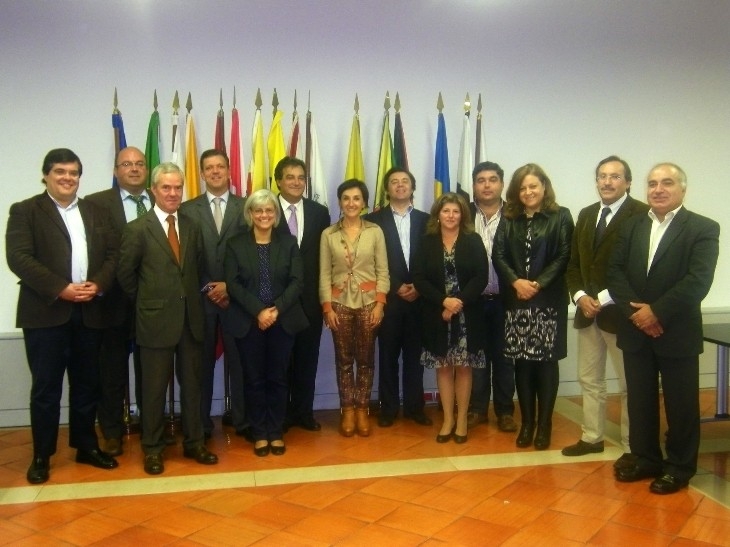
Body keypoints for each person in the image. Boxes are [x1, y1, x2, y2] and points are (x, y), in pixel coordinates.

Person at [6, 148, 119, 484]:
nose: (67, 178)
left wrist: (98, 283)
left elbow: (114, 255)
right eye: (60, 172)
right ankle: (42, 455)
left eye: (73, 173)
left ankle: (86, 446)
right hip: (46, 314)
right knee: (46, 389)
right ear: (46, 175)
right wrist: (61, 288)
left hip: (90, 312)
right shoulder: (25, 211)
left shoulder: (96, 212)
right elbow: (19, 258)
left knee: (87, 385)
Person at [608, 163, 719, 495]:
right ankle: (646, 459)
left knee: (681, 406)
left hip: (677, 331)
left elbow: (698, 281)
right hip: (635, 330)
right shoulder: (631, 226)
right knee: (640, 402)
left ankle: (679, 467)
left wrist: (655, 312)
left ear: (683, 188)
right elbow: (614, 272)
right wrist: (639, 315)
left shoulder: (702, 228)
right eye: (652, 183)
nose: (658, 189)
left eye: (667, 183)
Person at [117, 162, 218, 475]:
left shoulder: (192, 225)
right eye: (166, 187)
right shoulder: (137, 229)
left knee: (193, 386)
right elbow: (126, 276)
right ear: (153, 190)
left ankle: (194, 442)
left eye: (177, 187)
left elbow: (198, 269)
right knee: (153, 390)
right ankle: (153, 448)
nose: (173, 193)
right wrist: (149, 303)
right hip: (155, 323)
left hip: (190, 321)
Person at [561, 156, 648, 468]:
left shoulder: (642, 214)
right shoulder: (587, 214)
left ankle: (632, 445)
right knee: (589, 379)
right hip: (587, 312)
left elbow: (638, 267)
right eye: (602, 176)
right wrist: (580, 296)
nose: (607, 182)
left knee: (629, 384)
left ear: (628, 182)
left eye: (615, 176)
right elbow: (573, 264)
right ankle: (591, 437)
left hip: (621, 315)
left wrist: (603, 297)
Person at [492, 163, 573, 450]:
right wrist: (516, 282)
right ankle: (527, 423)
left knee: (546, 364)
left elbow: (564, 255)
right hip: (517, 302)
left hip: (548, 302)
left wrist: (537, 284)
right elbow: (498, 254)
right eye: (522, 188)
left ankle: (544, 425)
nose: (528, 192)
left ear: (544, 187)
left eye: (533, 186)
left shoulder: (561, 216)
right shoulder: (509, 218)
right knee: (523, 364)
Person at [224, 189, 308, 457]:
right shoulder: (235, 244)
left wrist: (274, 310)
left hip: (282, 322)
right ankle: (260, 432)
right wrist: (259, 311)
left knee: (278, 378)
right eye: (258, 210)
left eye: (269, 210)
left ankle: (276, 430)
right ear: (250, 214)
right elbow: (233, 284)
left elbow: (297, 282)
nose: (264, 215)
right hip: (248, 322)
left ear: (276, 214)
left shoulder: (289, 242)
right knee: (254, 379)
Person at [85, 146, 152, 456]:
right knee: (111, 370)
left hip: (152, 301)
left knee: (151, 369)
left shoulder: (162, 199)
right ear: (116, 171)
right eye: (126, 164)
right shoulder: (95, 204)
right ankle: (111, 431)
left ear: (147, 169)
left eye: (139, 164)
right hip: (110, 301)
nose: (134, 169)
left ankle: (152, 426)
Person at [179, 149, 250, 442]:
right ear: (202, 173)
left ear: (229, 170)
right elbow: (185, 258)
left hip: (237, 301)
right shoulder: (186, 210)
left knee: (241, 363)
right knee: (200, 366)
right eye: (209, 168)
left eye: (220, 166)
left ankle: (245, 421)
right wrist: (209, 286)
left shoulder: (246, 207)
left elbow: (253, 253)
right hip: (202, 301)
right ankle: (200, 424)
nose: (215, 172)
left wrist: (229, 286)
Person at [412, 192, 489, 444]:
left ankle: (462, 419)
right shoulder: (427, 242)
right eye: (446, 211)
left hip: (467, 315)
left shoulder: (473, 240)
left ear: (462, 215)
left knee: (464, 368)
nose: (451, 215)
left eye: (456, 211)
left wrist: (457, 303)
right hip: (436, 314)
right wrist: (444, 301)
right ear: (438, 214)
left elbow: (481, 277)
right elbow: (419, 278)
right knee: (444, 367)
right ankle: (447, 419)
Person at [320, 179, 389, 437]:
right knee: (344, 360)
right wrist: (327, 307)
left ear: (364, 203)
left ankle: (362, 409)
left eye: (356, 198)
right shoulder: (328, 234)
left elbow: (383, 271)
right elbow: (324, 274)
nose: (351, 203)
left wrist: (380, 303)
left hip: (369, 303)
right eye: (346, 198)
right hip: (339, 304)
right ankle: (347, 410)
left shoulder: (375, 231)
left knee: (366, 360)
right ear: (340, 202)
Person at [365, 167, 431, 427]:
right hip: (388, 300)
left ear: (412, 187)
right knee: (387, 356)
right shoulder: (373, 221)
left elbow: (433, 258)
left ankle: (415, 408)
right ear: (387, 188)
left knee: (415, 358)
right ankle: (389, 408)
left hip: (419, 299)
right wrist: (395, 286)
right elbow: (369, 261)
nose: (400, 185)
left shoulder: (428, 220)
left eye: (405, 181)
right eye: (394, 181)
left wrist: (419, 287)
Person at [273, 157, 331, 432]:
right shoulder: (266, 209)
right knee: (280, 361)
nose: (296, 182)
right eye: (290, 177)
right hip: (277, 300)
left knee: (308, 359)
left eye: (300, 177)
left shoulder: (319, 212)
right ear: (278, 181)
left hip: (309, 300)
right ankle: (281, 414)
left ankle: (304, 412)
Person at [467, 161, 517, 433]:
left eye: (492, 179)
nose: (487, 185)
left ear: (502, 184)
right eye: (481, 180)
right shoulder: (463, 214)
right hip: (473, 301)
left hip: (505, 299)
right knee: (476, 357)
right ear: (474, 185)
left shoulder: (515, 215)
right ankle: (477, 409)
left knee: (504, 358)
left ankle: (505, 411)